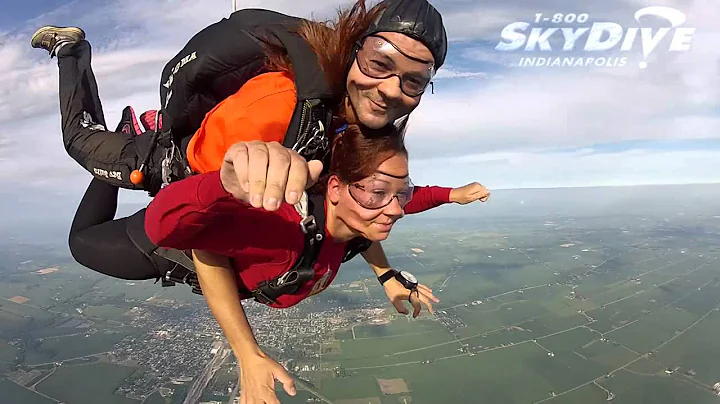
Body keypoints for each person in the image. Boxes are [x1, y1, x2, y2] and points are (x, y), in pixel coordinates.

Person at [144, 121, 425, 404]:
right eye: (378, 193)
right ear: (336, 189)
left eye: (402, 193)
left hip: (210, 253)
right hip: (156, 253)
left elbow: (373, 228)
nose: (397, 209)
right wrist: (247, 353)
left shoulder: (349, 226)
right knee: (97, 237)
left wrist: (387, 276)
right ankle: (117, 138)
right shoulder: (286, 230)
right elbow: (181, 235)